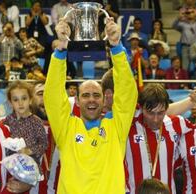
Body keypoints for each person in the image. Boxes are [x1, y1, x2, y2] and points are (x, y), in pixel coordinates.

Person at [44, 17, 138, 193]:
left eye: (96, 95)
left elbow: (127, 94)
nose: (92, 99)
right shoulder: (66, 127)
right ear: (77, 101)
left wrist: (116, 47)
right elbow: (53, 97)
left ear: (104, 100)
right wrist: (61, 48)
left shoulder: (116, 127)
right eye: (85, 95)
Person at [3, 80, 47, 165]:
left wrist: (28, 151)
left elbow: (43, 143)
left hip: (31, 167)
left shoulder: (36, 121)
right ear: (10, 103)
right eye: (15, 100)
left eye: (24, 98)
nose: (20, 103)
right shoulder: (8, 121)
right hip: (12, 165)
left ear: (30, 100)